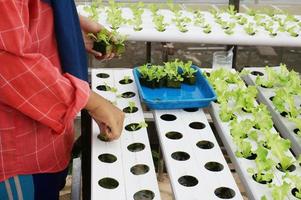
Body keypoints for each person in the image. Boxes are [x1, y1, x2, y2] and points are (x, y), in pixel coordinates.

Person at [0, 0, 124, 199]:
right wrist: (93, 103)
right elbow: (8, 63)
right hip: (17, 152)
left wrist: (68, 27)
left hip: (47, 137)